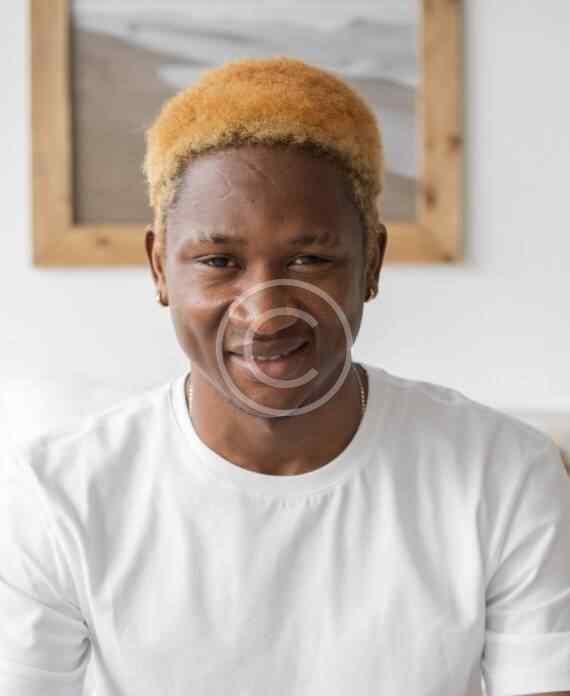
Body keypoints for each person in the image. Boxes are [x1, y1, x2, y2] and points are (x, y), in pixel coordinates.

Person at [1, 56, 569, 696]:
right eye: (219, 261)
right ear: (160, 268)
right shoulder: (56, 493)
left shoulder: (505, 472)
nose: (265, 311)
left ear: (372, 264)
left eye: (309, 259)